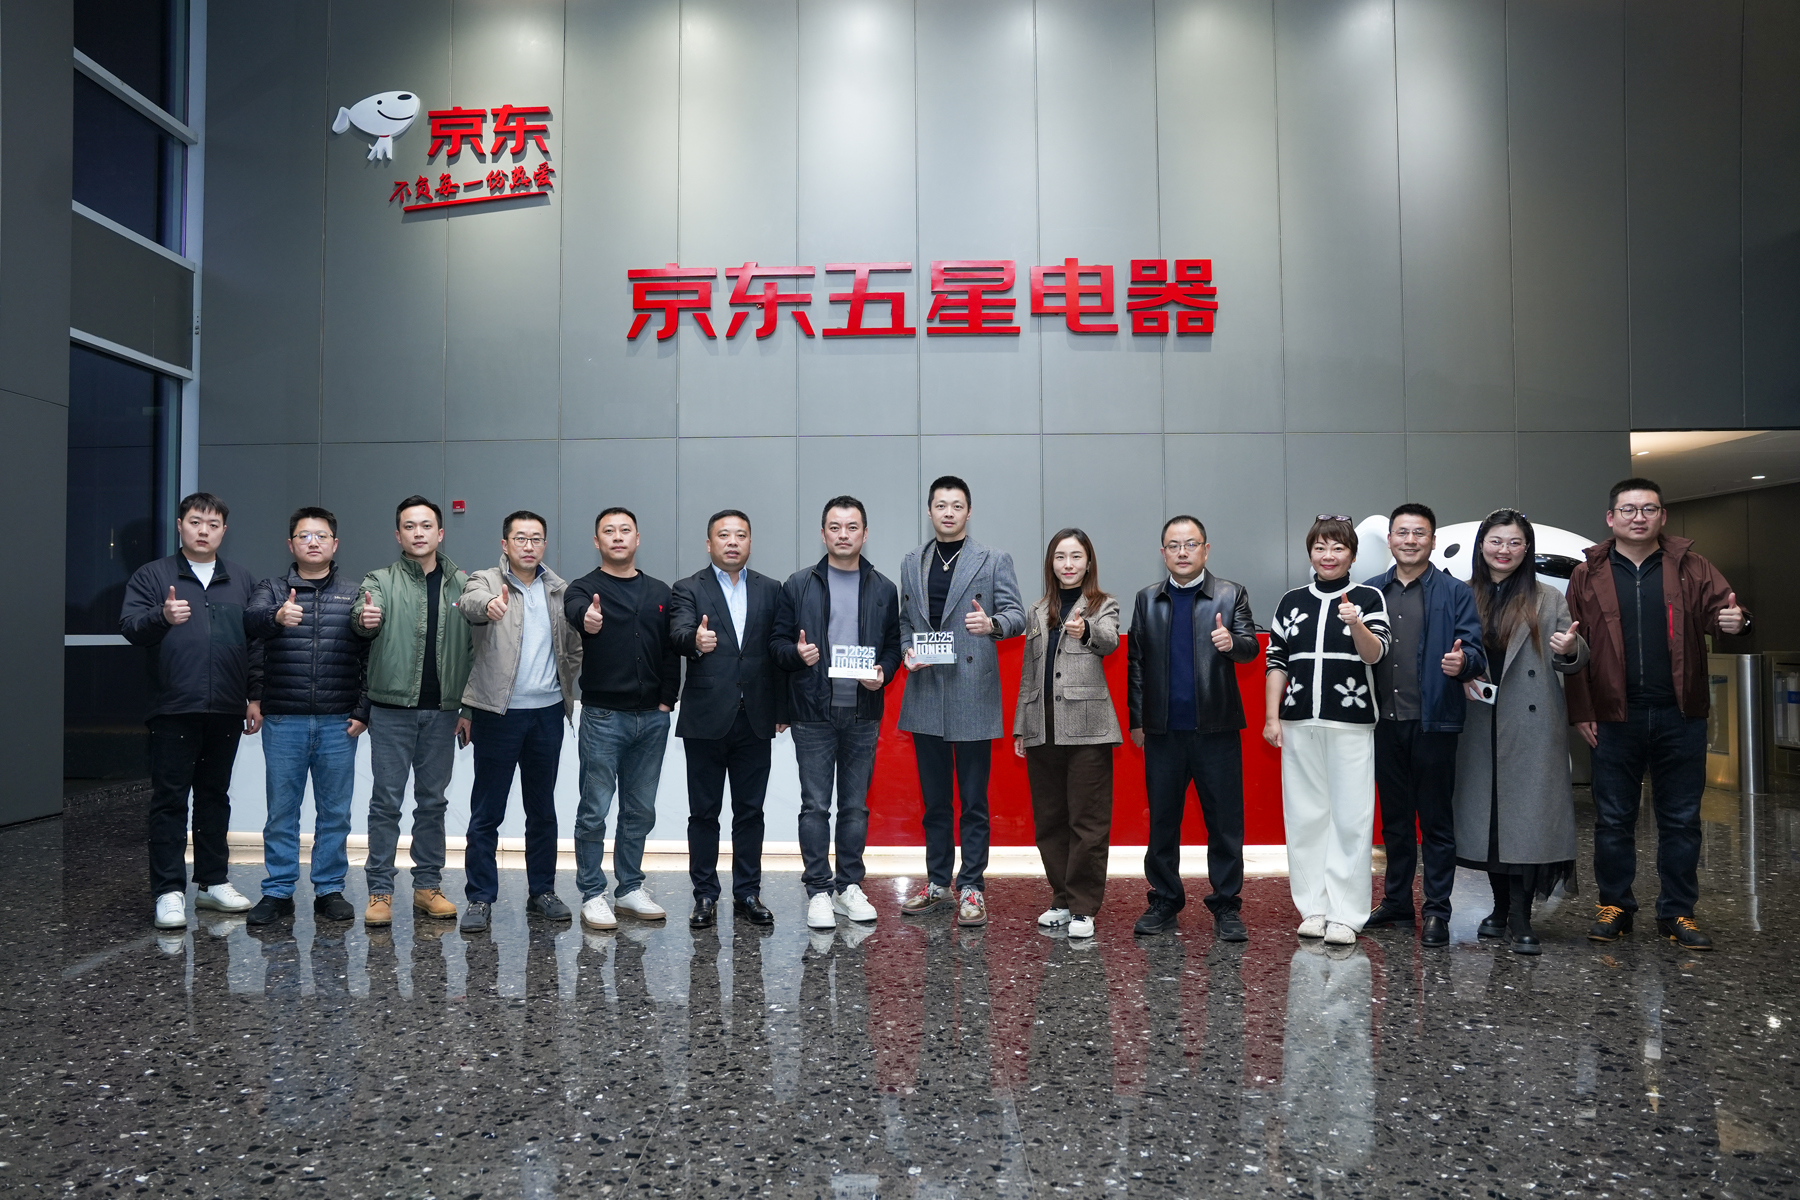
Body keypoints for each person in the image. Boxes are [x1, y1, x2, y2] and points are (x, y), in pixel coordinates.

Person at [1566, 477, 1750, 950]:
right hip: (1614, 716)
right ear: (1611, 518)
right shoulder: (1588, 573)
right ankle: (1615, 906)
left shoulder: (1692, 565)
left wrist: (1737, 621)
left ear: (1662, 516)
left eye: (1648, 509)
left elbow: (1725, 613)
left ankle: (1678, 911)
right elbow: (1574, 644)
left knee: (1682, 819)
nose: (1639, 517)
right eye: (1628, 509)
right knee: (1612, 819)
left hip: (1680, 714)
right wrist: (1582, 710)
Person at [120, 492, 262, 928]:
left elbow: (255, 642)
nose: (204, 531)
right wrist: (162, 616)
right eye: (196, 522)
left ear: (224, 531)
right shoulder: (153, 575)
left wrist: (255, 696)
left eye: (213, 524)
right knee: (170, 800)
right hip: (173, 706)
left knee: (215, 797)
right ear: (180, 525)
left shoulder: (241, 579)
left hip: (226, 708)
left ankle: (212, 882)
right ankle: (168, 891)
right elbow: (131, 628)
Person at [1452, 509, 1588, 954]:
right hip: (1478, 721)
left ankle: (1521, 916)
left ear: (1527, 548)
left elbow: (1575, 655)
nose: (1504, 550)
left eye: (1514, 542)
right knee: (1489, 821)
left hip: (1532, 723)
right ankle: (1498, 908)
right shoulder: (1463, 594)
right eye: (1496, 541)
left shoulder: (1547, 598)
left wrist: (1570, 648)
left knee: (1527, 822)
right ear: (1481, 545)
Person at [896, 476, 1026, 927]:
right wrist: (907, 652)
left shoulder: (993, 559)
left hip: (972, 690)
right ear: (929, 511)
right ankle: (937, 884)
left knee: (972, 802)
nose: (948, 512)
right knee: (935, 803)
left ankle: (972, 886)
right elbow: (904, 621)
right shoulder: (911, 561)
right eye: (940, 505)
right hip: (926, 691)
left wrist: (992, 625)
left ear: (968, 512)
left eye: (956, 505)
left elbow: (1017, 615)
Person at [1125, 515, 1260, 941]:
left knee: (1225, 824)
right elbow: (1136, 663)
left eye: (1190, 544)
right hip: (1163, 732)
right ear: (1163, 552)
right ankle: (1165, 900)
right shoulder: (1147, 599)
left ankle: (1226, 905)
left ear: (1206, 549)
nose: (1182, 552)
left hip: (1216, 729)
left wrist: (1232, 643)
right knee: (1163, 823)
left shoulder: (1231, 594)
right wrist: (1137, 721)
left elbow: (1250, 648)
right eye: (1174, 545)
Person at [772, 496, 902, 930]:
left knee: (855, 808)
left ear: (865, 534)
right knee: (814, 806)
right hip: (812, 712)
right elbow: (776, 644)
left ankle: (848, 887)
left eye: (851, 527)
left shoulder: (883, 587)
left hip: (863, 712)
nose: (843, 535)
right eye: (835, 527)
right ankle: (818, 890)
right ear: (823, 533)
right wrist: (796, 654)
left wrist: (883, 671)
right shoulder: (798, 585)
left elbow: (892, 646)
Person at [1362, 504, 1487, 948]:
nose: (1410, 540)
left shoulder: (1456, 592)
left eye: (1419, 533)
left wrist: (1463, 662)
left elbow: (1476, 652)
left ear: (1433, 541)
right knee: (1394, 823)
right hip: (1383, 723)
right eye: (1402, 532)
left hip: (1435, 722)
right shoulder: (1370, 591)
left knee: (1435, 822)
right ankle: (1397, 902)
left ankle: (1437, 910)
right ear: (1390, 540)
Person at [1263, 516, 1390, 947]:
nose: (1328, 555)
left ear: (1352, 554)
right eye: (1320, 547)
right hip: (1298, 722)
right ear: (1311, 553)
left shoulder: (1369, 598)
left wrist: (1356, 624)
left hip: (1350, 723)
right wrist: (1272, 717)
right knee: (1304, 817)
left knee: (1352, 818)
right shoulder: (1291, 601)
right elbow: (1276, 660)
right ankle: (1313, 908)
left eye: (1338, 548)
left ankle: (1346, 914)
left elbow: (1375, 654)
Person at [456, 511, 583, 933]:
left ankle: (542, 891)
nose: (529, 546)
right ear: (505, 544)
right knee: (487, 811)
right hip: (498, 713)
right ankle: (480, 897)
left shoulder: (560, 590)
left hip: (547, 714)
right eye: (520, 538)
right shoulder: (486, 580)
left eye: (536, 539)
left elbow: (574, 648)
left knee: (542, 810)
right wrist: (489, 606)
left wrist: (563, 681)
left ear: (544, 544)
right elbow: (471, 603)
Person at [242, 507, 370, 926]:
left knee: (335, 813)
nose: (312, 542)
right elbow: (252, 627)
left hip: (339, 722)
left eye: (321, 535)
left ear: (335, 544)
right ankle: (278, 891)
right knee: (282, 812)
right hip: (284, 719)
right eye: (304, 535)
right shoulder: (271, 589)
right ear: (291, 544)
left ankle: (329, 889)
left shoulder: (355, 593)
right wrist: (276, 617)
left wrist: (363, 709)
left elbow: (369, 655)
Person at [352, 496, 473, 927]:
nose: (418, 533)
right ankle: (380, 891)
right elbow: (362, 613)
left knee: (432, 803)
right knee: (385, 802)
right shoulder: (380, 580)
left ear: (440, 533)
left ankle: (427, 886)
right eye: (409, 526)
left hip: (444, 713)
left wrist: (468, 709)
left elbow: (475, 650)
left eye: (426, 526)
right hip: (391, 712)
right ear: (398, 534)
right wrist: (364, 619)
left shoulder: (464, 584)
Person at [562, 507, 681, 930]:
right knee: (594, 810)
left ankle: (629, 888)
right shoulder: (583, 588)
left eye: (625, 530)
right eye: (608, 531)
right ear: (597, 541)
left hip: (652, 719)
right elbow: (575, 609)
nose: (617, 537)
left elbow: (671, 652)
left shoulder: (660, 591)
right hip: (603, 718)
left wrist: (667, 701)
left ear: (637, 538)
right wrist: (586, 617)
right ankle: (592, 893)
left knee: (640, 811)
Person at [669, 510, 786, 930]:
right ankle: (704, 894)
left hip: (755, 717)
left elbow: (778, 650)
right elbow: (678, 633)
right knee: (703, 813)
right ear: (709, 543)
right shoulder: (688, 588)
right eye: (723, 535)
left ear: (750, 542)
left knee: (750, 812)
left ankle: (748, 893)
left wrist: (782, 709)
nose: (732, 542)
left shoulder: (771, 589)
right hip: (705, 718)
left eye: (740, 535)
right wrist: (695, 640)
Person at [1012, 528, 1121, 940]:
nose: (1068, 564)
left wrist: (1086, 631)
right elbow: (1028, 671)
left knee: (1088, 822)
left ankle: (1083, 907)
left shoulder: (1102, 604)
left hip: (1088, 729)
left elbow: (1109, 642)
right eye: (1060, 557)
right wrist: (1021, 726)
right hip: (1043, 728)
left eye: (1076, 556)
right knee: (1050, 820)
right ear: (1051, 563)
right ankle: (1060, 898)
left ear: (1088, 562)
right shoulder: (1038, 609)